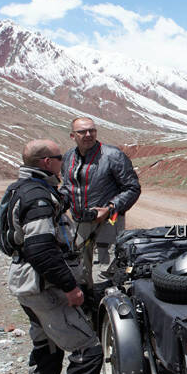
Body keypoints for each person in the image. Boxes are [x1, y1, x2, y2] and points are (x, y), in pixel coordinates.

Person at [5, 139, 107, 374]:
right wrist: (70, 287)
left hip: (26, 284)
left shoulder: (19, 189)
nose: (64, 161)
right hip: (46, 288)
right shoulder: (37, 196)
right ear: (47, 162)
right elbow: (41, 249)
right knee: (87, 350)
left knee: (47, 348)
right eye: (60, 157)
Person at [60, 117, 141, 289]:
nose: (88, 134)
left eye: (92, 130)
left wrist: (110, 208)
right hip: (80, 222)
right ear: (72, 135)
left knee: (105, 270)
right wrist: (58, 202)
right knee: (81, 269)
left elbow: (132, 188)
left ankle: (108, 311)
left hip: (109, 222)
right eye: (82, 131)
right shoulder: (68, 158)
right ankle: (88, 310)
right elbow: (68, 187)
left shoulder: (113, 155)